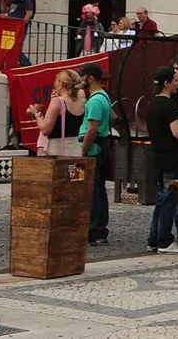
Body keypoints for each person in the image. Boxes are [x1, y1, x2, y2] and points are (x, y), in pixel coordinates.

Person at [145, 65, 178, 254]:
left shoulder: (152, 105)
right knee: (170, 201)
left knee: (161, 200)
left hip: (159, 157)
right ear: (166, 83)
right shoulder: (169, 106)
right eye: (175, 80)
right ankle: (165, 240)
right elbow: (177, 133)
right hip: (174, 158)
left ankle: (154, 238)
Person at [77, 62, 113, 245]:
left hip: (93, 149)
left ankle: (92, 231)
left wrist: (82, 151)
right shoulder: (102, 97)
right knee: (99, 191)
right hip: (100, 147)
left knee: (92, 192)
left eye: (82, 77)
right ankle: (100, 230)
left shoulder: (95, 101)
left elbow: (92, 130)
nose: (80, 81)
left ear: (90, 78)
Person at [28, 69, 85, 157]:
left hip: (57, 151)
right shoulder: (81, 102)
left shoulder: (57, 102)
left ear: (61, 84)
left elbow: (45, 130)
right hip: (76, 150)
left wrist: (36, 115)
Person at [3, 0, 35, 67]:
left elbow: (29, 13)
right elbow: (10, 12)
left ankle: (27, 65)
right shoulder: (13, 0)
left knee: (16, 47)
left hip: (19, 26)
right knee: (9, 46)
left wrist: (22, 25)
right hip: (10, 25)